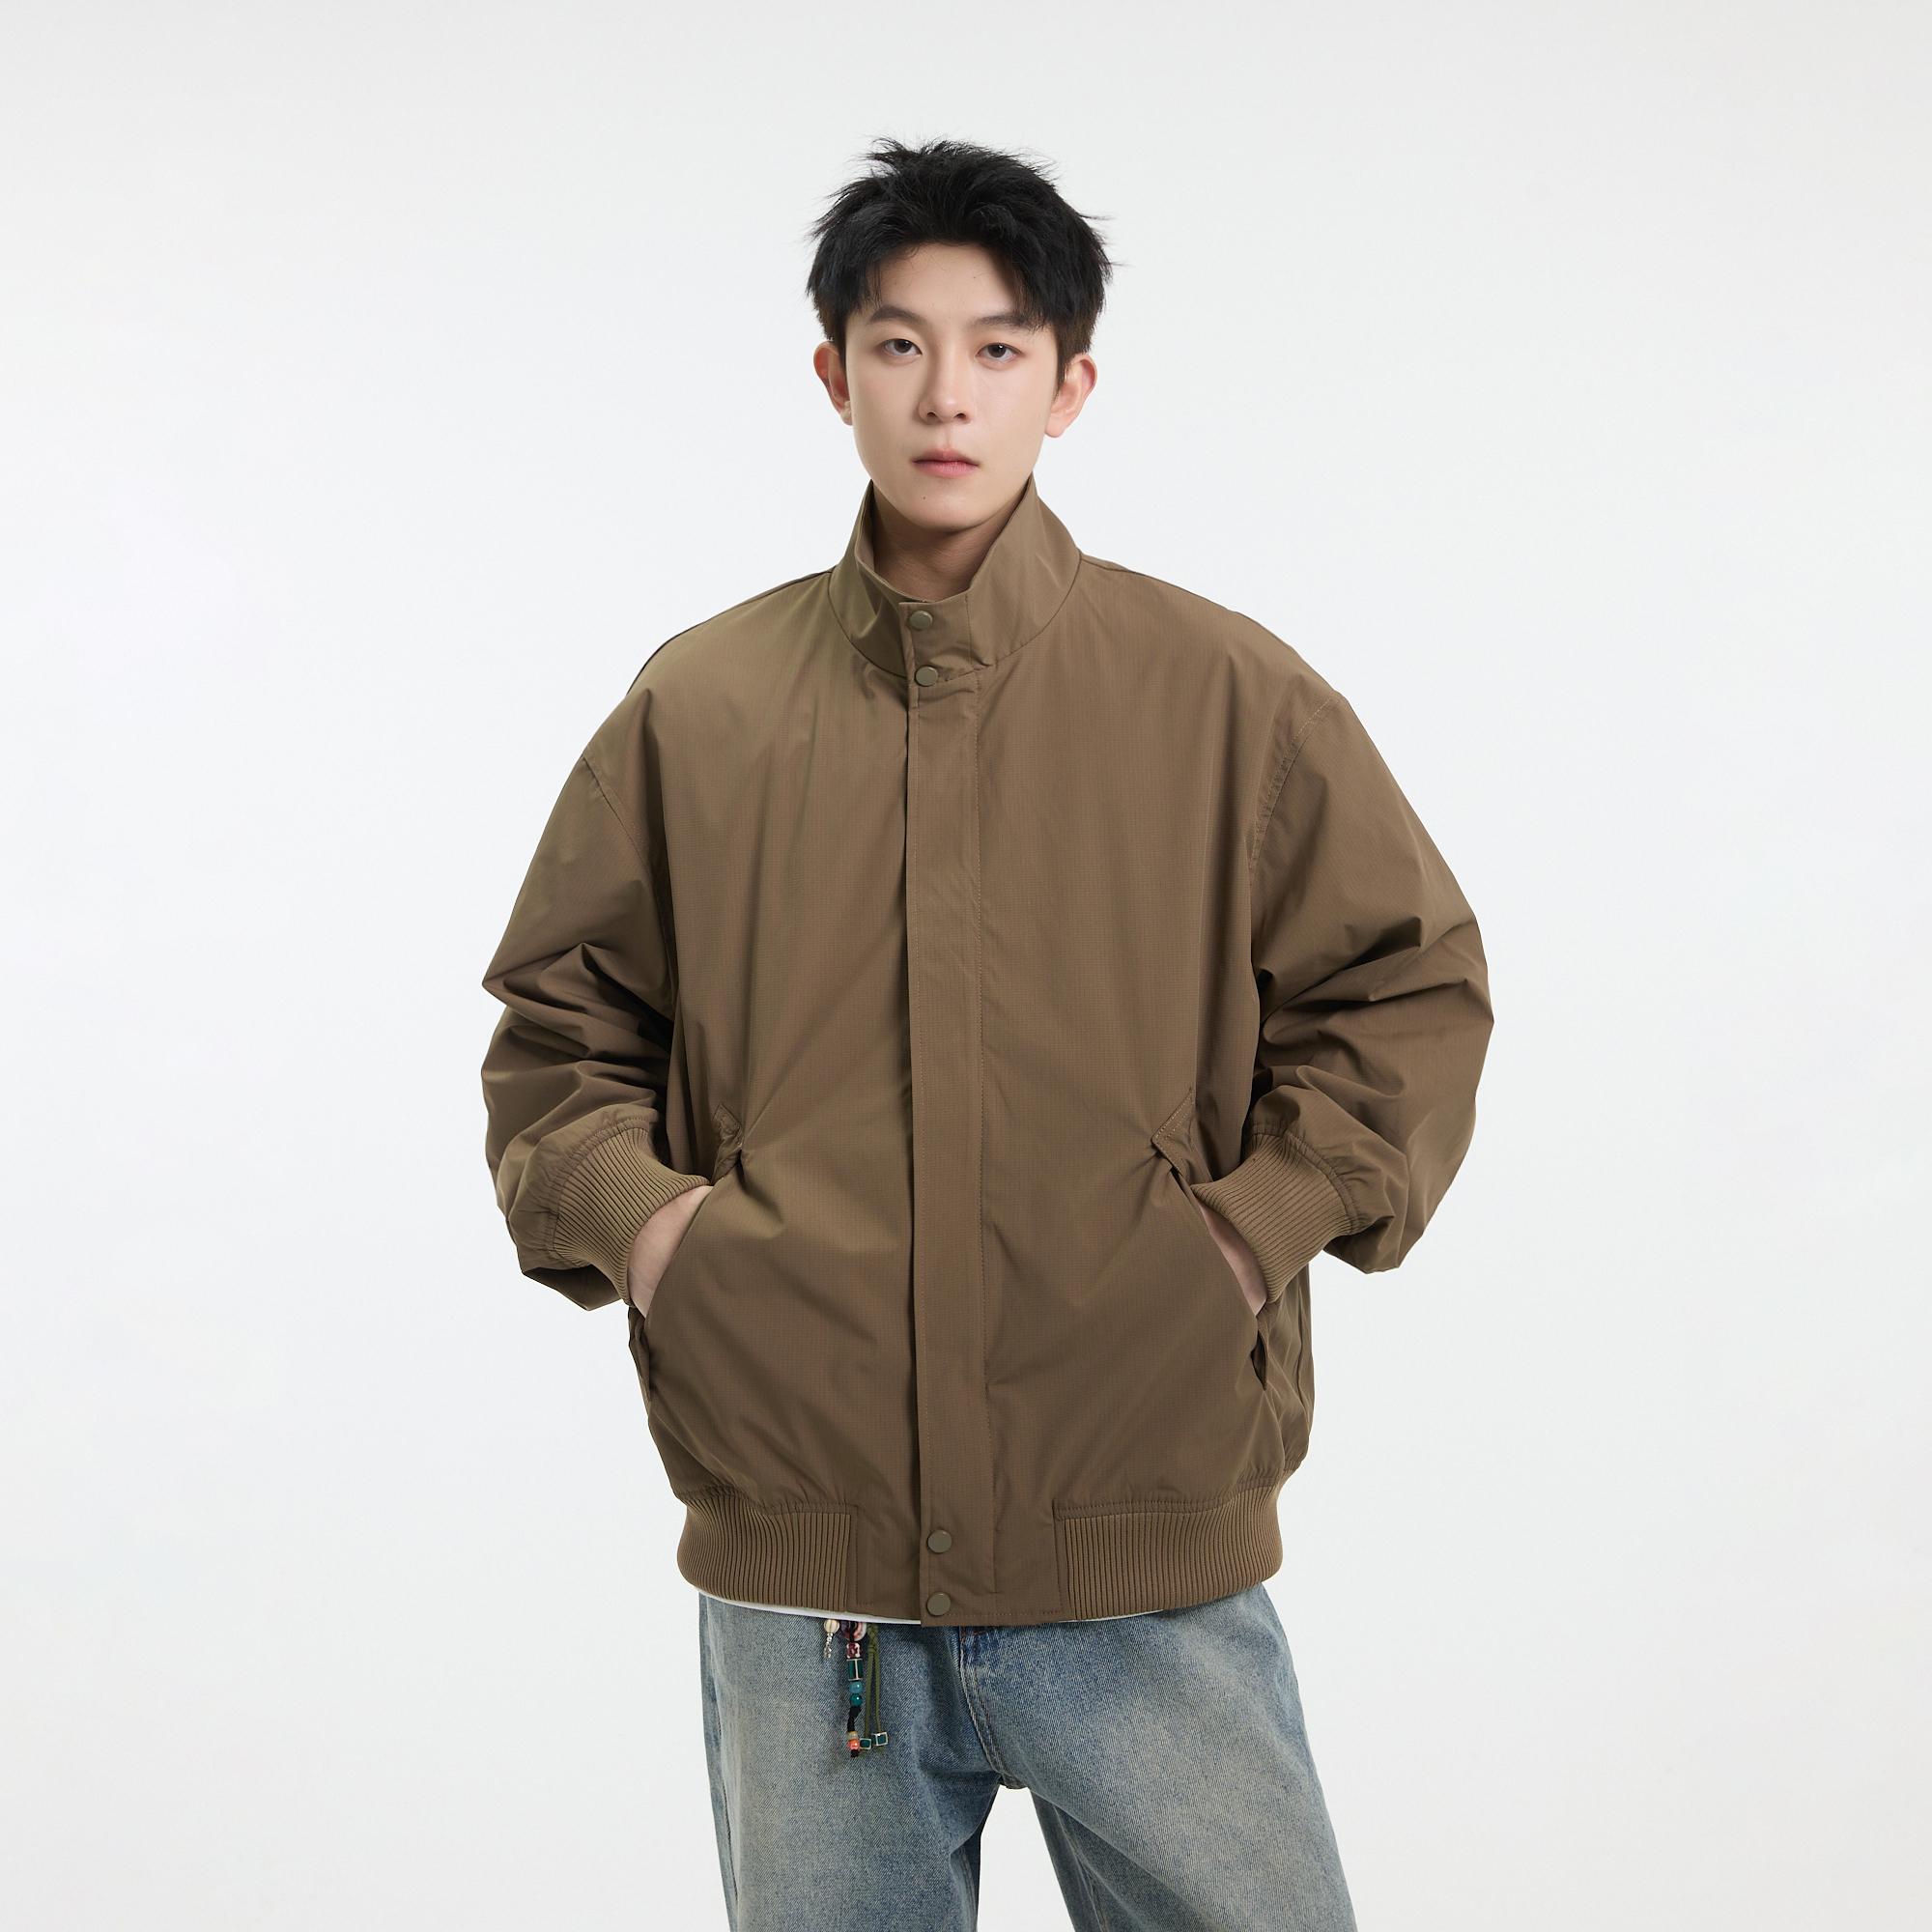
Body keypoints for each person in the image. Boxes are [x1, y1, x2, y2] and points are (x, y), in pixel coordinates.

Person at [479, 134, 1492, 1931]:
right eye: (900, 344)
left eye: (999, 347)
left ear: (1069, 384)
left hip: (1143, 1542)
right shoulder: (702, 708)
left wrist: (1239, 1239)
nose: (947, 394)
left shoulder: (1225, 695)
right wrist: (664, 1238)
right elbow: (562, 1029)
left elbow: (1404, 990)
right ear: (834, 374)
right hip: (813, 1586)